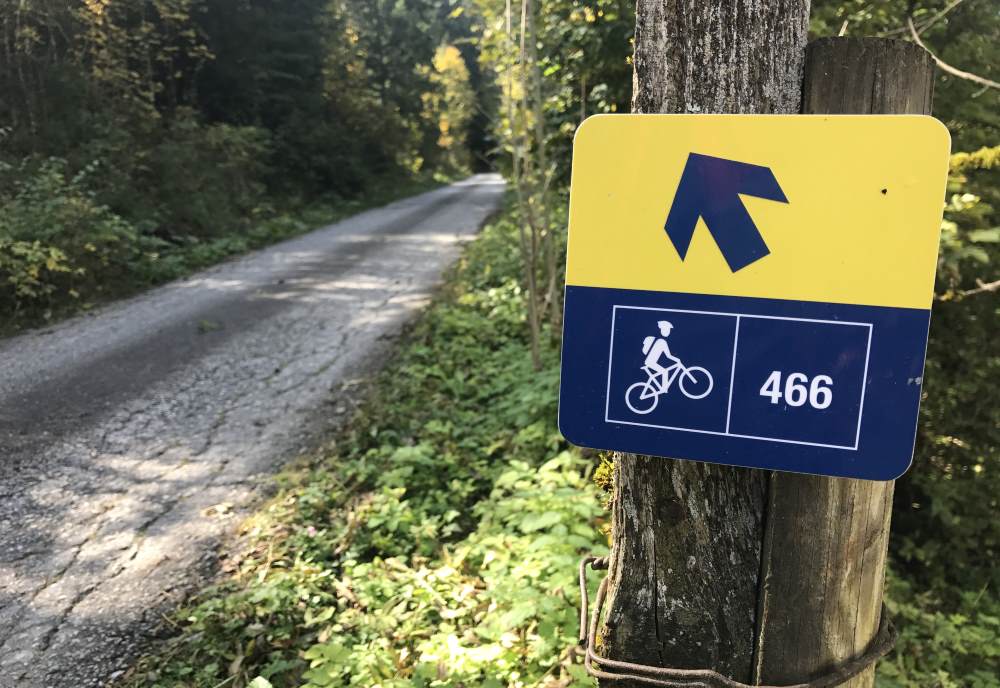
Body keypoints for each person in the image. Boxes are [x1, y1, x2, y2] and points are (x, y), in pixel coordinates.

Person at [642, 320, 680, 387]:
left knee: (663, 371)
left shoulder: (651, 339)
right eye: (667, 330)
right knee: (665, 372)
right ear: (661, 330)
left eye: (668, 330)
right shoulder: (662, 342)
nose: (668, 332)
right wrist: (677, 360)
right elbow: (668, 356)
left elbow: (644, 351)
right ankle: (664, 389)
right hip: (650, 362)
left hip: (649, 361)